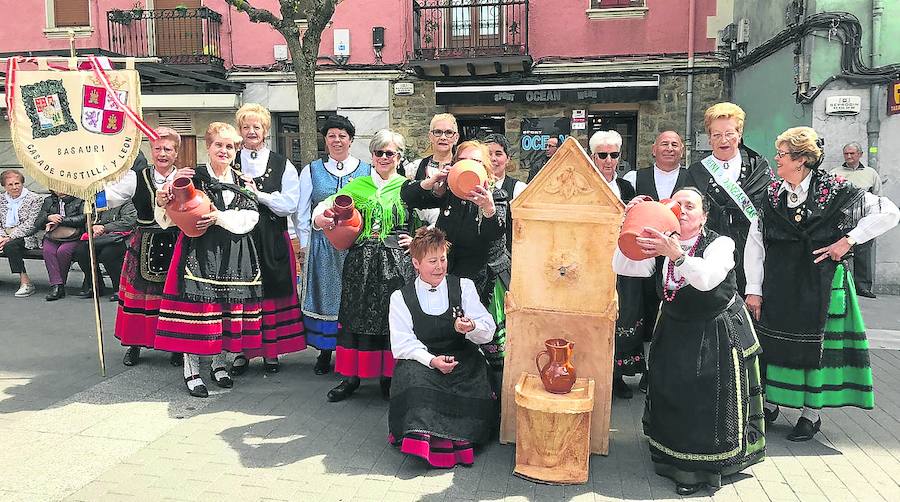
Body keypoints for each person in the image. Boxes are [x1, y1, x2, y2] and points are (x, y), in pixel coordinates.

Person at [744, 127, 899, 441]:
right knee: (775, 344)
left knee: (816, 349)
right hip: (780, 281)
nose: (776, 159)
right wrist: (754, 289)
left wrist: (848, 240)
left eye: (782, 154)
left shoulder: (835, 188)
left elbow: (888, 212)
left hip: (821, 281)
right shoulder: (771, 194)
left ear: (800, 160)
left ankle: (810, 414)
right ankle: (773, 403)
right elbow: (755, 243)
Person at [614, 187, 766, 495]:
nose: (682, 210)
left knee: (704, 396)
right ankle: (673, 457)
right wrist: (627, 227)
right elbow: (625, 266)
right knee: (671, 389)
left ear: (704, 215)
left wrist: (675, 254)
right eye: (677, 204)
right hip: (673, 327)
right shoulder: (660, 243)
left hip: (714, 330)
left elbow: (707, 279)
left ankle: (701, 469)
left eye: (690, 205)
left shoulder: (720, 243)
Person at [153, 122, 264, 398]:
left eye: (230, 146)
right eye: (219, 145)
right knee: (197, 313)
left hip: (234, 252)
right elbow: (167, 218)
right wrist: (162, 200)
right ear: (208, 146)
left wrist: (220, 217)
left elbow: (251, 217)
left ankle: (219, 364)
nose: (224, 150)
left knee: (226, 310)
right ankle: (191, 371)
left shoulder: (242, 180)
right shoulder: (191, 177)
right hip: (198, 250)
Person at [312, 129, 416, 402]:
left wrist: (417, 239)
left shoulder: (407, 188)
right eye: (378, 152)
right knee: (355, 316)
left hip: (396, 265)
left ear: (399, 157)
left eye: (389, 153)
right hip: (361, 263)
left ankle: (388, 378)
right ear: (371, 156)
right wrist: (320, 220)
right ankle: (351, 378)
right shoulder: (357, 187)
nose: (383, 157)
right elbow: (324, 207)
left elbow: (431, 217)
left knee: (390, 319)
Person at [401, 140, 508, 393]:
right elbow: (408, 196)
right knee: (453, 336)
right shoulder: (449, 190)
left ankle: (492, 399)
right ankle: (453, 390)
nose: (469, 168)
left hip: (485, 278)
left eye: (476, 162)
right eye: (462, 162)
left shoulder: (496, 194)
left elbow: (497, 233)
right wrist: (432, 182)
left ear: (486, 168)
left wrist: (488, 208)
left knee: (488, 343)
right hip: (451, 275)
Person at [388, 227, 497, 468]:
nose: (439, 266)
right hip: (423, 360)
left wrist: (471, 327)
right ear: (416, 263)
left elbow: (488, 328)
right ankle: (425, 438)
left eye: (443, 259)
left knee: (475, 376)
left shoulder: (464, 286)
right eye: (432, 261)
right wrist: (431, 361)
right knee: (413, 377)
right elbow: (403, 343)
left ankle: (462, 437)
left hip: (462, 358)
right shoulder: (400, 297)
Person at [230, 104, 305, 375]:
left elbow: (289, 204)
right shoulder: (230, 159)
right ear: (240, 131)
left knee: (271, 293)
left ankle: (271, 351)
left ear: (265, 131)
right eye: (246, 127)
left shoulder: (282, 164)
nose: (251, 131)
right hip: (238, 238)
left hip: (271, 234)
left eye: (257, 127)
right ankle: (242, 352)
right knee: (243, 294)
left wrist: (257, 195)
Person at [297, 115, 372, 375]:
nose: (337, 140)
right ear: (325, 140)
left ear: (351, 140)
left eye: (342, 135)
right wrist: (304, 246)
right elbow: (302, 210)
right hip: (322, 246)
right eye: (331, 135)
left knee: (352, 297)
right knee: (326, 296)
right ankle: (324, 352)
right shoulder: (312, 170)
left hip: (355, 245)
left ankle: (348, 352)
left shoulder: (366, 170)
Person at [114, 127, 188, 367]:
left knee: (175, 297)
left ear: (176, 153)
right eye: (158, 148)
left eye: (168, 149)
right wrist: (91, 197)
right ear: (151, 150)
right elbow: (112, 196)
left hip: (179, 242)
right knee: (140, 298)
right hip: (145, 241)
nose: (162, 153)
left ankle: (176, 346)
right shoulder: (138, 176)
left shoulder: (186, 178)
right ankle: (134, 344)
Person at [685, 102, 774, 295]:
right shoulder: (697, 172)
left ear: (739, 135)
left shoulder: (757, 166)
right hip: (711, 250)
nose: (723, 140)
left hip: (751, 249)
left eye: (729, 133)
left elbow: (769, 206)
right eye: (716, 135)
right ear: (709, 138)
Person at [623, 130, 689, 393]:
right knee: (637, 314)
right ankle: (636, 370)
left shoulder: (692, 176)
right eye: (664, 144)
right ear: (653, 149)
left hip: (677, 257)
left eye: (675, 144)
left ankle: (665, 371)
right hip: (642, 257)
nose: (669, 149)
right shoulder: (634, 178)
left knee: (672, 315)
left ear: (682, 150)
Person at [590, 131, 642, 399]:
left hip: (622, 260)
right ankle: (595, 373)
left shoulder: (626, 187)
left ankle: (617, 375)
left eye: (614, 155)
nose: (609, 161)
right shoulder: (586, 186)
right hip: (592, 261)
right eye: (603, 155)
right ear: (593, 156)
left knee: (623, 315)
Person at [831, 142, 883, 298]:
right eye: (846, 153)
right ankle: (837, 286)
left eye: (852, 153)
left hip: (864, 220)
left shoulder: (871, 173)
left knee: (864, 254)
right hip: (841, 220)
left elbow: (878, 196)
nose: (848, 156)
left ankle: (863, 288)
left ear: (860, 154)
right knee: (838, 253)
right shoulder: (834, 173)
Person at [73, 200, 136, 300]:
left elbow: (129, 221)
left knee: (108, 254)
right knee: (82, 251)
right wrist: (93, 226)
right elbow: (90, 219)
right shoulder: (100, 201)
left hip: (122, 238)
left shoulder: (125, 202)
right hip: (100, 238)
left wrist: (105, 227)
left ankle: (119, 288)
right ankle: (95, 286)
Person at [405, 113, 460, 226]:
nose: (443, 137)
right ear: (430, 136)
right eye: (438, 132)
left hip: (455, 233)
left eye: (449, 132)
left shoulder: (462, 168)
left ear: (456, 138)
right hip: (420, 234)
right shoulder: (414, 168)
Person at [0, 170, 44, 297]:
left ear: (22, 183)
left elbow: (31, 225)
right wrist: (1, 236)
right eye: (10, 185)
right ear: (4, 186)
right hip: (3, 235)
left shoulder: (35, 199)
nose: (14, 187)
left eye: (17, 183)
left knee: (10, 246)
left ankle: (26, 282)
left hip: (25, 237)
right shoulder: (1, 199)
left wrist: (9, 237)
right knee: (6, 243)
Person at [37, 191, 85, 301]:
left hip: (74, 234)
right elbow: (39, 220)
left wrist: (61, 220)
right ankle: (57, 285)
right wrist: (49, 217)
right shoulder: (49, 200)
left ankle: (60, 283)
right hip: (53, 234)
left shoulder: (80, 199)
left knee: (63, 252)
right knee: (48, 251)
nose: (60, 191)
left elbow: (83, 218)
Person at [483, 133, 526, 253]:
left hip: (508, 260)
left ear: (508, 159)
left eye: (498, 154)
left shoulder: (519, 189)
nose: (493, 158)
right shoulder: (471, 187)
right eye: (488, 154)